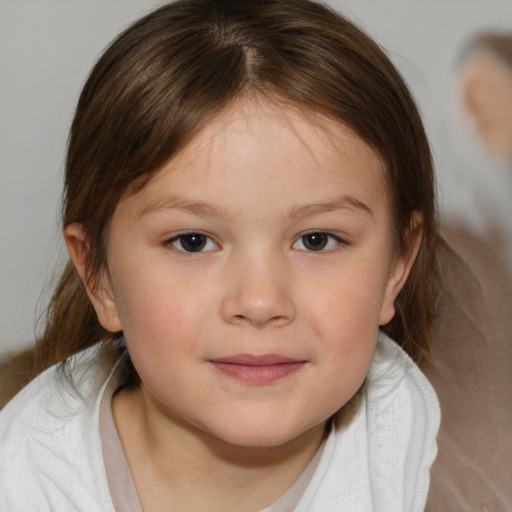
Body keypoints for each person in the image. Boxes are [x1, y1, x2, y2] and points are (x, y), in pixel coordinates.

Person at [0, 0, 440, 510]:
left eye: (317, 240)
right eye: (193, 241)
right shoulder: (24, 476)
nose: (258, 301)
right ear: (97, 274)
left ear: (396, 267)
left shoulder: (453, 472)